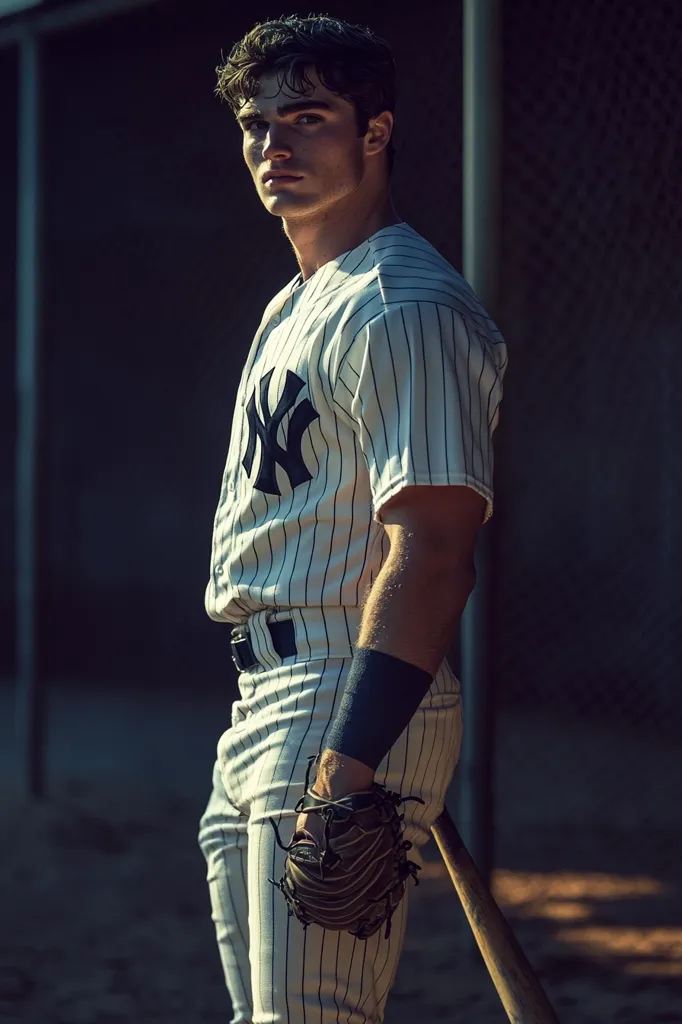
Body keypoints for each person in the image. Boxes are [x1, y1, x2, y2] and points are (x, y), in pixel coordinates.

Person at [197, 13, 507, 1023]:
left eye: (309, 118)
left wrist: (351, 758)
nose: (274, 147)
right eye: (257, 123)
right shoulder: (297, 302)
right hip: (261, 701)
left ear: (375, 131)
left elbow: (433, 551)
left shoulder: (402, 304)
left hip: (341, 690)